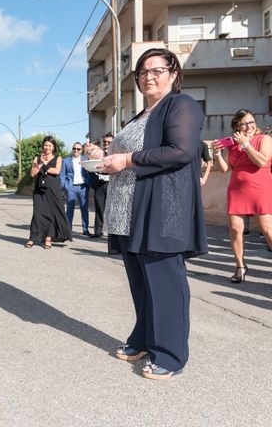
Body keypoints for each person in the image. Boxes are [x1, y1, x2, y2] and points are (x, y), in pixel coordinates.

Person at [96, 47, 207, 380]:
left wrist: (127, 160)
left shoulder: (180, 105)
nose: (149, 77)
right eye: (143, 72)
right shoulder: (140, 115)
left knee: (165, 283)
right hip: (130, 210)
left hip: (162, 209)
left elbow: (182, 151)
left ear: (173, 74)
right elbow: (129, 152)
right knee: (142, 283)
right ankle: (144, 338)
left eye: (157, 70)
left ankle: (171, 354)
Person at [212, 110, 272, 283]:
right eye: (244, 123)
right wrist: (217, 154)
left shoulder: (264, 139)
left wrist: (246, 144)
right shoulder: (232, 144)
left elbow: (261, 161)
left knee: (267, 229)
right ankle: (240, 266)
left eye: (251, 122)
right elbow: (224, 169)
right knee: (236, 229)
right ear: (237, 126)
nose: (249, 126)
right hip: (237, 190)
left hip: (261, 188)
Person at [25, 136, 72, 249]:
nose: (47, 147)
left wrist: (43, 166)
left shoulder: (58, 158)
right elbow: (32, 173)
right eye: (45, 145)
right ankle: (32, 238)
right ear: (43, 146)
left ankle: (48, 239)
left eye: (50, 145)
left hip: (53, 189)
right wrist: (40, 163)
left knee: (51, 214)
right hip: (39, 189)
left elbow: (56, 171)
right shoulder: (37, 158)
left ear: (54, 147)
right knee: (37, 214)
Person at [60, 142, 91, 236]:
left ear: (81, 150)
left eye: (78, 149)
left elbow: (91, 171)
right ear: (72, 149)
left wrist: (88, 183)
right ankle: (68, 230)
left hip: (83, 187)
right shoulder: (65, 161)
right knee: (70, 209)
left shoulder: (86, 159)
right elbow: (62, 176)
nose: (76, 150)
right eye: (74, 148)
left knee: (84, 209)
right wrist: (66, 186)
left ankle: (85, 229)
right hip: (71, 187)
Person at [88, 133, 114, 238]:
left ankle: (113, 234)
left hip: (112, 184)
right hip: (99, 184)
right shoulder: (98, 154)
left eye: (109, 142)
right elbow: (91, 167)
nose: (106, 144)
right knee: (99, 208)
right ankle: (98, 231)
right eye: (105, 142)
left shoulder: (116, 154)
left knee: (112, 208)